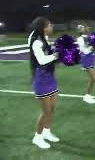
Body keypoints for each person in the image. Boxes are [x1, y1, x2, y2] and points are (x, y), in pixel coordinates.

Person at [28, 17, 60, 149]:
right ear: (44, 28)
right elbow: (41, 60)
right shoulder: (37, 42)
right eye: (50, 25)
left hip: (50, 77)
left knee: (52, 108)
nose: (52, 27)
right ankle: (37, 137)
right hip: (41, 79)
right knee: (46, 111)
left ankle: (46, 131)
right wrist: (56, 56)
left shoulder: (45, 38)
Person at [77, 24, 95, 104]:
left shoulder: (89, 37)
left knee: (93, 78)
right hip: (85, 59)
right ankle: (87, 96)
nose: (84, 28)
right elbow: (84, 51)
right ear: (79, 31)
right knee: (92, 79)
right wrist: (92, 47)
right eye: (81, 28)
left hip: (90, 58)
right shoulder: (80, 39)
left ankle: (88, 95)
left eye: (83, 27)